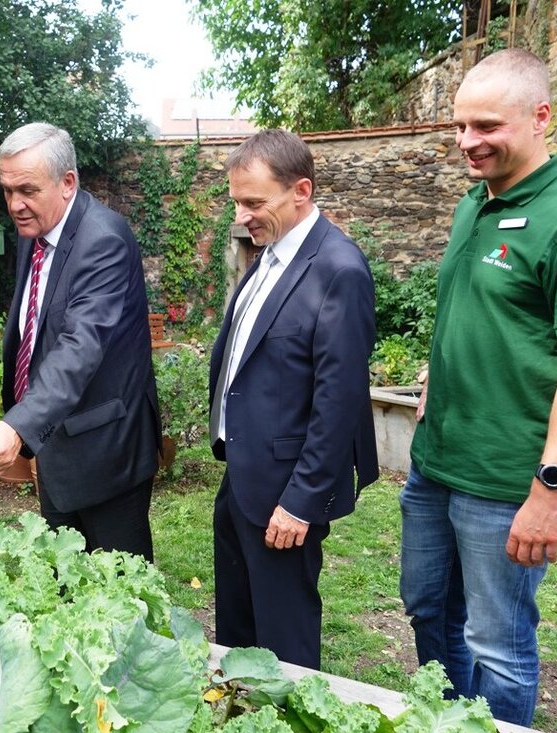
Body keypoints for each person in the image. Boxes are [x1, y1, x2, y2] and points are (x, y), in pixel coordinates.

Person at [400, 48, 557, 727]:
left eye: (486, 126)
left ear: (541, 117)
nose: (468, 142)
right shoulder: (476, 205)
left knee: (496, 644)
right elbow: (482, 315)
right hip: (436, 463)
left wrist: (549, 491)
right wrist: (435, 377)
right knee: (426, 608)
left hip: (508, 482)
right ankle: (445, 719)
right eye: (460, 127)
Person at [209, 129, 378, 670]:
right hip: (241, 476)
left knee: (285, 644)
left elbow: (340, 401)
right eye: (237, 201)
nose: (242, 215)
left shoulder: (339, 270)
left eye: (254, 202)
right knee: (238, 629)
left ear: (301, 191)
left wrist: (302, 500)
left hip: (285, 496)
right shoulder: (270, 254)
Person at [0, 122, 161, 561]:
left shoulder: (103, 240)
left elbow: (80, 345)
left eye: (27, 190)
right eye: (7, 190)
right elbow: (36, 327)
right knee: (65, 584)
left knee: (117, 597)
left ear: (67, 183)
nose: (15, 205)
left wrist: (18, 425)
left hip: (105, 449)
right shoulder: (37, 231)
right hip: (56, 442)